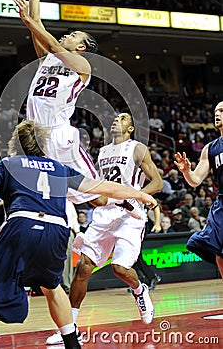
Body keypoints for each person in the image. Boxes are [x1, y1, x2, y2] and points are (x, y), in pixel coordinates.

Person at [0, 120, 157, 349]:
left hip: (21, 226)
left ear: (15, 144)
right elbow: (103, 187)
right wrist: (140, 195)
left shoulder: (8, 164)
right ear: (43, 145)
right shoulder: (58, 167)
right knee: (52, 286)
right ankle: (71, 342)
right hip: (56, 231)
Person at [13, 0, 141, 217]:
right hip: (36, 137)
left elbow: (44, 36)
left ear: (81, 47)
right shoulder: (47, 58)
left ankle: (129, 200)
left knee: (95, 194)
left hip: (60, 137)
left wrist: (29, 22)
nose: (66, 36)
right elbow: (37, 23)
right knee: (62, 193)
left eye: (73, 36)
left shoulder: (82, 65)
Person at [46, 112, 162, 345]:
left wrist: (137, 197)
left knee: (120, 268)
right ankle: (69, 328)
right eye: (115, 117)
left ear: (130, 128)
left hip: (129, 214)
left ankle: (139, 289)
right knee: (83, 268)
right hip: (105, 214)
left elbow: (157, 183)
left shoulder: (137, 148)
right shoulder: (102, 152)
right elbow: (99, 188)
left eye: (123, 118)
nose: (116, 120)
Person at [174, 100, 223, 274]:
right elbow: (195, 181)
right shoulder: (210, 149)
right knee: (219, 252)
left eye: (222, 110)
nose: (217, 114)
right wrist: (186, 171)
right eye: (216, 111)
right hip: (222, 205)